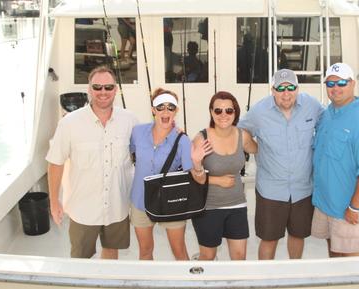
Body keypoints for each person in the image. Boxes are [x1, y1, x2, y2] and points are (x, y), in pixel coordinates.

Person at [46, 66, 138, 259]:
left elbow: (146, 147)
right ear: (89, 89)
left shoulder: (130, 120)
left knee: (111, 251)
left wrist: (173, 130)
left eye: (108, 87)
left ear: (116, 90)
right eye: (97, 87)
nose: (103, 92)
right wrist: (54, 202)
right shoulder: (69, 123)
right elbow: (55, 163)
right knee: (81, 259)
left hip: (117, 206)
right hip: (82, 209)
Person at [239, 69, 324, 259]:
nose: (286, 93)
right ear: (273, 90)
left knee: (298, 235)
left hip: (303, 189)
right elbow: (239, 131)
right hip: (271, 190)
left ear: (297, 89)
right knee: (269, 240)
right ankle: (266, 281)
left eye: (291, 87)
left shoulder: (312, 105)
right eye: (281, 88)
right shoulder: (259, 111)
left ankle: (293, 274)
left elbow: (327, 124)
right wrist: (254, 148)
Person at [129, 88, 211, 260]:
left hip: (171, 203)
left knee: (179, 251)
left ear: (176, 111)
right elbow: (127, 153)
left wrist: (197, 163)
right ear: (153, 110)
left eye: (171, 107)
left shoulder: (183, 140)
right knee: (145, 251)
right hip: (140, 202)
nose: (165, 112)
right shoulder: (137, 132)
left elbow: (199, 180)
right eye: (160, 107)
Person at [311, 63, 359, 257]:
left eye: (341, 82)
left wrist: (354, 207)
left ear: (352, 84)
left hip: (348, 210)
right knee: (333, 254)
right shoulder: (326, 115)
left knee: (350, 263)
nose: (335, 88)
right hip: (326, 204)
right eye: (330, 83)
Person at [191, 91, 258, 260]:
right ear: (211, 112)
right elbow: (192, 176)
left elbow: (261, 150)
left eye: (229, 110)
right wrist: (216, 180)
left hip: (237, 205)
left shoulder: (243, 135)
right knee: (208, 256)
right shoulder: (201, 139)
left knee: (239, 257)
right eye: (218, 111)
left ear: (235, 113)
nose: (223, 115)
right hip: (208, 207)